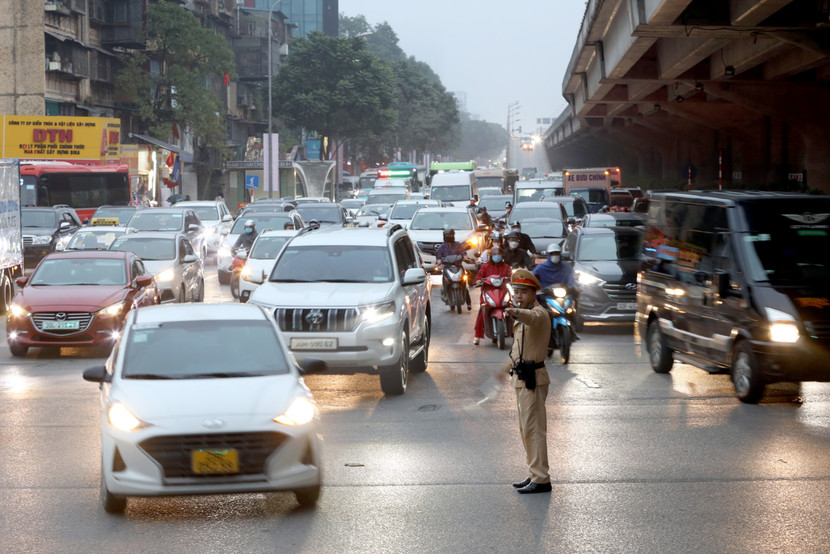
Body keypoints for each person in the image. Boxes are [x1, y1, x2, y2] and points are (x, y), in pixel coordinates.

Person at [500, 269, 552, 494]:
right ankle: (534, 473)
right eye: (516, 292)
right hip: (521, 378)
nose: (518, 296)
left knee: (534, 430)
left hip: (534, 379)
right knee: (526, 429)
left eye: (523, 292)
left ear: (533, 294)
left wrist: (516, 312)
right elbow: (516, 351)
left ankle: (541, 479)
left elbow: (531, 318)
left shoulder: (538, 314)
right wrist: (502, 370)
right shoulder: (523, 315)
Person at [473, 246, 511, 345]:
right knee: (483, 311)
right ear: (491, 256)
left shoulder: (506, 267)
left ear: (502, 256)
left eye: (498, 254)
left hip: (503, 291)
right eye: (494, 255)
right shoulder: (485, 266)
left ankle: (516, 333)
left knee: (512, 308)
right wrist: (478, 280)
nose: (496, 256)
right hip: (488, 291)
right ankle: (477, 335)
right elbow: (479, 275)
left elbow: (511, 275)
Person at [436, 229, 469, 305]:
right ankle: (445, 293)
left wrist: (465, 256)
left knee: (464, 282)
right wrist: (439, 260)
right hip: (447, 267)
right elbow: (439, 255)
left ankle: (468, 302)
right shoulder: (442, 246)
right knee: (445, 280)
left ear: (453, 235)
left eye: (450, 235)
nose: (449, 237)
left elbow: (463, 252)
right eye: (447, 235)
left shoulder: (458, 244)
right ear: (444, 236)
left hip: (458, 266)